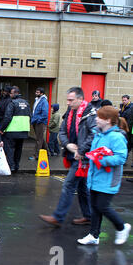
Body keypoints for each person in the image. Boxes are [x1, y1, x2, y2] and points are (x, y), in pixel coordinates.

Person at [39, 87, 96, 227]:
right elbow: (62, 131)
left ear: (81, 99)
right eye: (67, 100)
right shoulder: (70, 112)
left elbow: (94, 135)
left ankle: (58, 217)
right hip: (74, 154)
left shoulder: (90, 114)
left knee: (69, 185)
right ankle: (89, 216)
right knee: (82, 188)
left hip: (82, 157)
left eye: (71, 100)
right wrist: (68, 145)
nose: (68, 103)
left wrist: (80, 151)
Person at [77, 106, 131, 245]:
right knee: (94, 207)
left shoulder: (117, 137)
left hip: (108, 180)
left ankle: (122, 227)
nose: (96, 119)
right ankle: (94, 235)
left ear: (107, 120)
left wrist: (100, 159)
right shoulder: (98, 134)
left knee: (102, 206)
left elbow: (121, 158)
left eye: (99, 117)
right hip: (95, 178)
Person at [0, 86, 31, 173]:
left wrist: (2, 129)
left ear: (15, 93)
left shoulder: (12, 103)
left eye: (11, 93)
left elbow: (7, 117)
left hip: (12, 131)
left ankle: (11, 166)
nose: (10, 95)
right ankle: (17, 165)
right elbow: (30, 116)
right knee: (18, 150)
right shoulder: (26, 103)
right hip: (23, 130)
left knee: (10, 149)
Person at [29, 87, 49, 160]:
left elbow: (45, 114)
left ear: (42, 93)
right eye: (36, 92)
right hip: (36, 122)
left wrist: (38, 120)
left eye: (38, 92)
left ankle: (36, 155)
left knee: (38, 139)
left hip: (40, 123)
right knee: (40, 138)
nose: (36, 93)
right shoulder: (38, 100)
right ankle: (47, 152)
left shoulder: (44, 101)